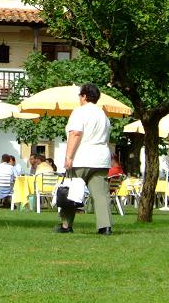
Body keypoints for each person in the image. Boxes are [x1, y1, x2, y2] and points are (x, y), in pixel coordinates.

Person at [57, 83, 113, 235]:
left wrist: (68, 157)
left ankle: (66, 225)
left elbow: (75, 134)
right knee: (101, 195)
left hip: (82, 157)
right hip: (101, 159)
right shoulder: (103, 115)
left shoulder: (79, 112)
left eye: (80, 96)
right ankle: (105, 226)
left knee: (72, 190)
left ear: (84, 96)